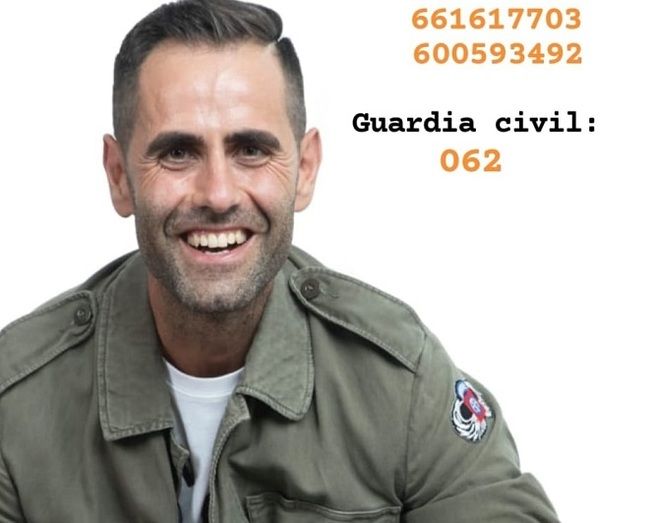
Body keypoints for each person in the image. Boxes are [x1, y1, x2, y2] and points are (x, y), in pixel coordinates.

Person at [0, 1, 559, 521]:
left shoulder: (401, 385)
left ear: (305, 169)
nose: (218, 194)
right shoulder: (16, 404)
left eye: (251, 150)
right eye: (177, 152)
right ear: (119, 176)